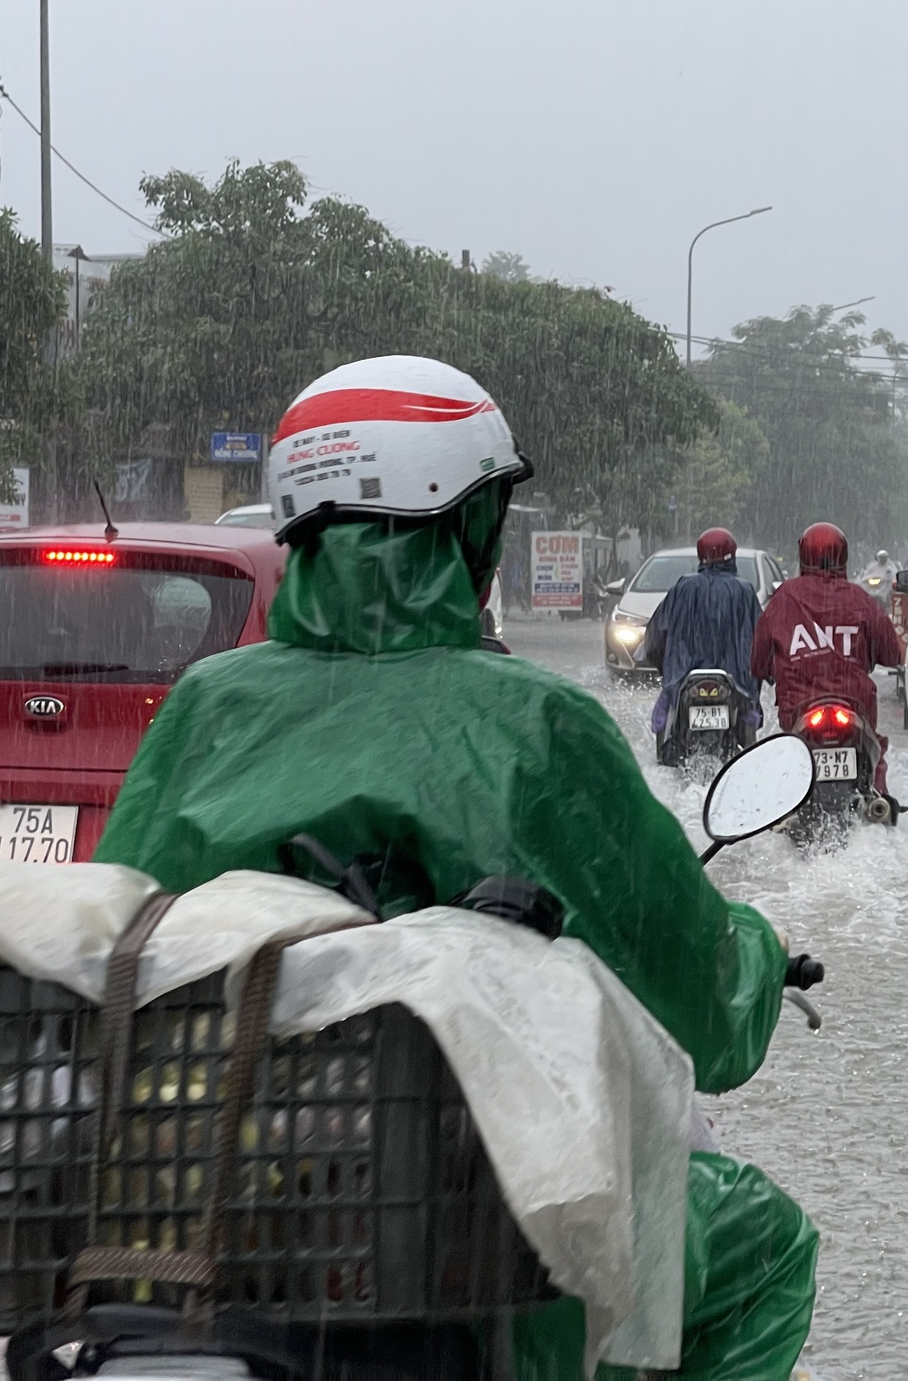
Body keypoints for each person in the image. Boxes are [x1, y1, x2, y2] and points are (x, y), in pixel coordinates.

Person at [92, 356, 817, 1379]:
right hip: (468, 1225)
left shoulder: (207, 707)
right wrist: (755, 954)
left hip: (208, 1209)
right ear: (472, 528)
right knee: (766, 1249)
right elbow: (701, 1016)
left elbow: (115, 939)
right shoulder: (536, 724)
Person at [751, 521, 904, 800]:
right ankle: (878, 800)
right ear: (843, 556)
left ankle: (787, 807)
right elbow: (892, 654)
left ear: (803, 556)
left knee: (785, 769)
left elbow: (758, 661)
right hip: (855, 703)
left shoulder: (784, 597)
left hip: (798, 705)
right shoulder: (860, 599)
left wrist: (768, 670)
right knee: (875, 758)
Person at [642, 527, 763, 748]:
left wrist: (667, 673)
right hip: (738, 685)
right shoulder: (744, 591)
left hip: (683, 680)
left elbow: (654, 639)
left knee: (664, 728)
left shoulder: (682, 588)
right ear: (732, 555)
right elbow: (761, 643)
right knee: (749, 736)